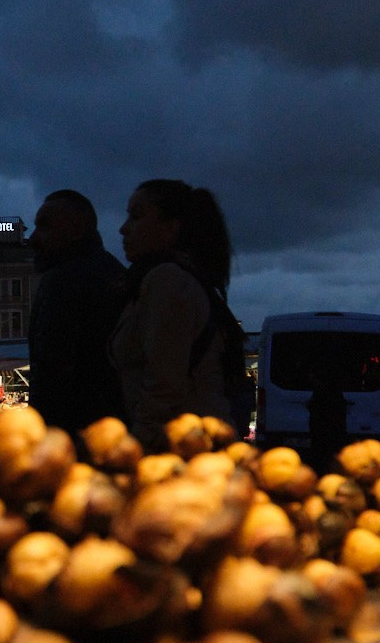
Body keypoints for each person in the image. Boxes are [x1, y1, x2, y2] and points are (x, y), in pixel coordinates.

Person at [109, 179, 245, 451]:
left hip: (182, 447)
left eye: (137, 216)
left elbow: (164, 383)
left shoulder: (166, 280)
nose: (124, 229)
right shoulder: (180, 279)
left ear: (171, 228)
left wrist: (137, 444)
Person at [26, 190, 129, 434]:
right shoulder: (114, 271)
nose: (33, 238)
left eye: (45, 226)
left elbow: (51, 371)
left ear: (76, 229)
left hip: (72, 430)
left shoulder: (62, 281)